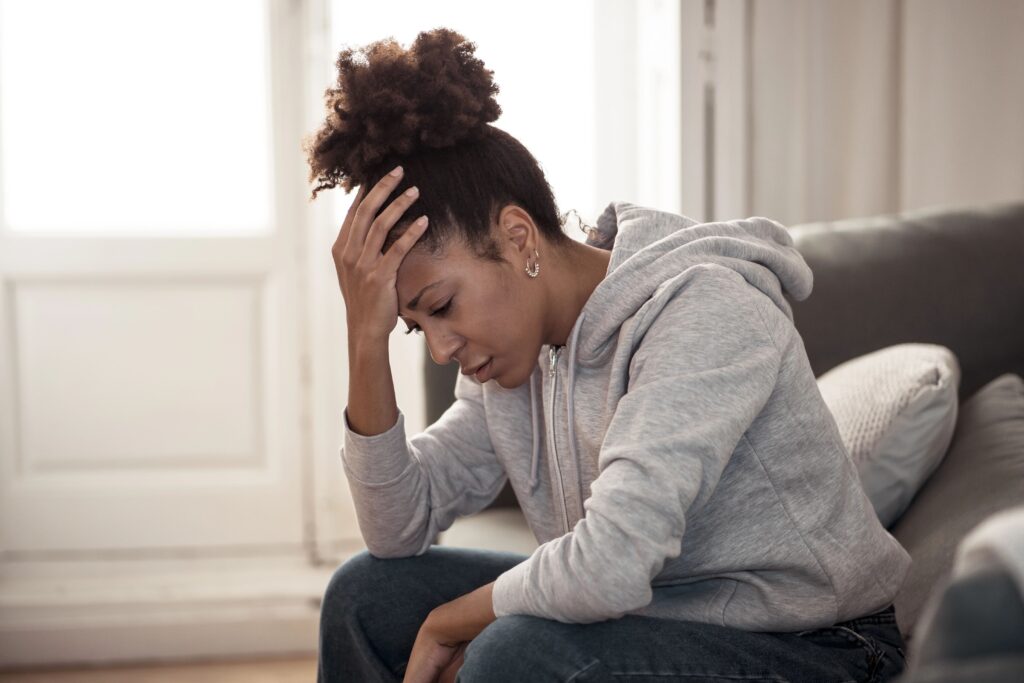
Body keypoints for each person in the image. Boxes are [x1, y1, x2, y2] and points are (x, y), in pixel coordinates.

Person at [305, 27, 912, 683]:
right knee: (364, 594)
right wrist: (364, 337)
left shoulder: (703, 311)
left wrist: (451, 619)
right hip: (650, 620)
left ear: (517, 238)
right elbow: (397, 527)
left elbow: (611, 563)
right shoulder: (519, 361)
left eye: (443, 305)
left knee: (511, 654)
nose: (443, 348)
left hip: (818, 645)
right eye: (415, 326)